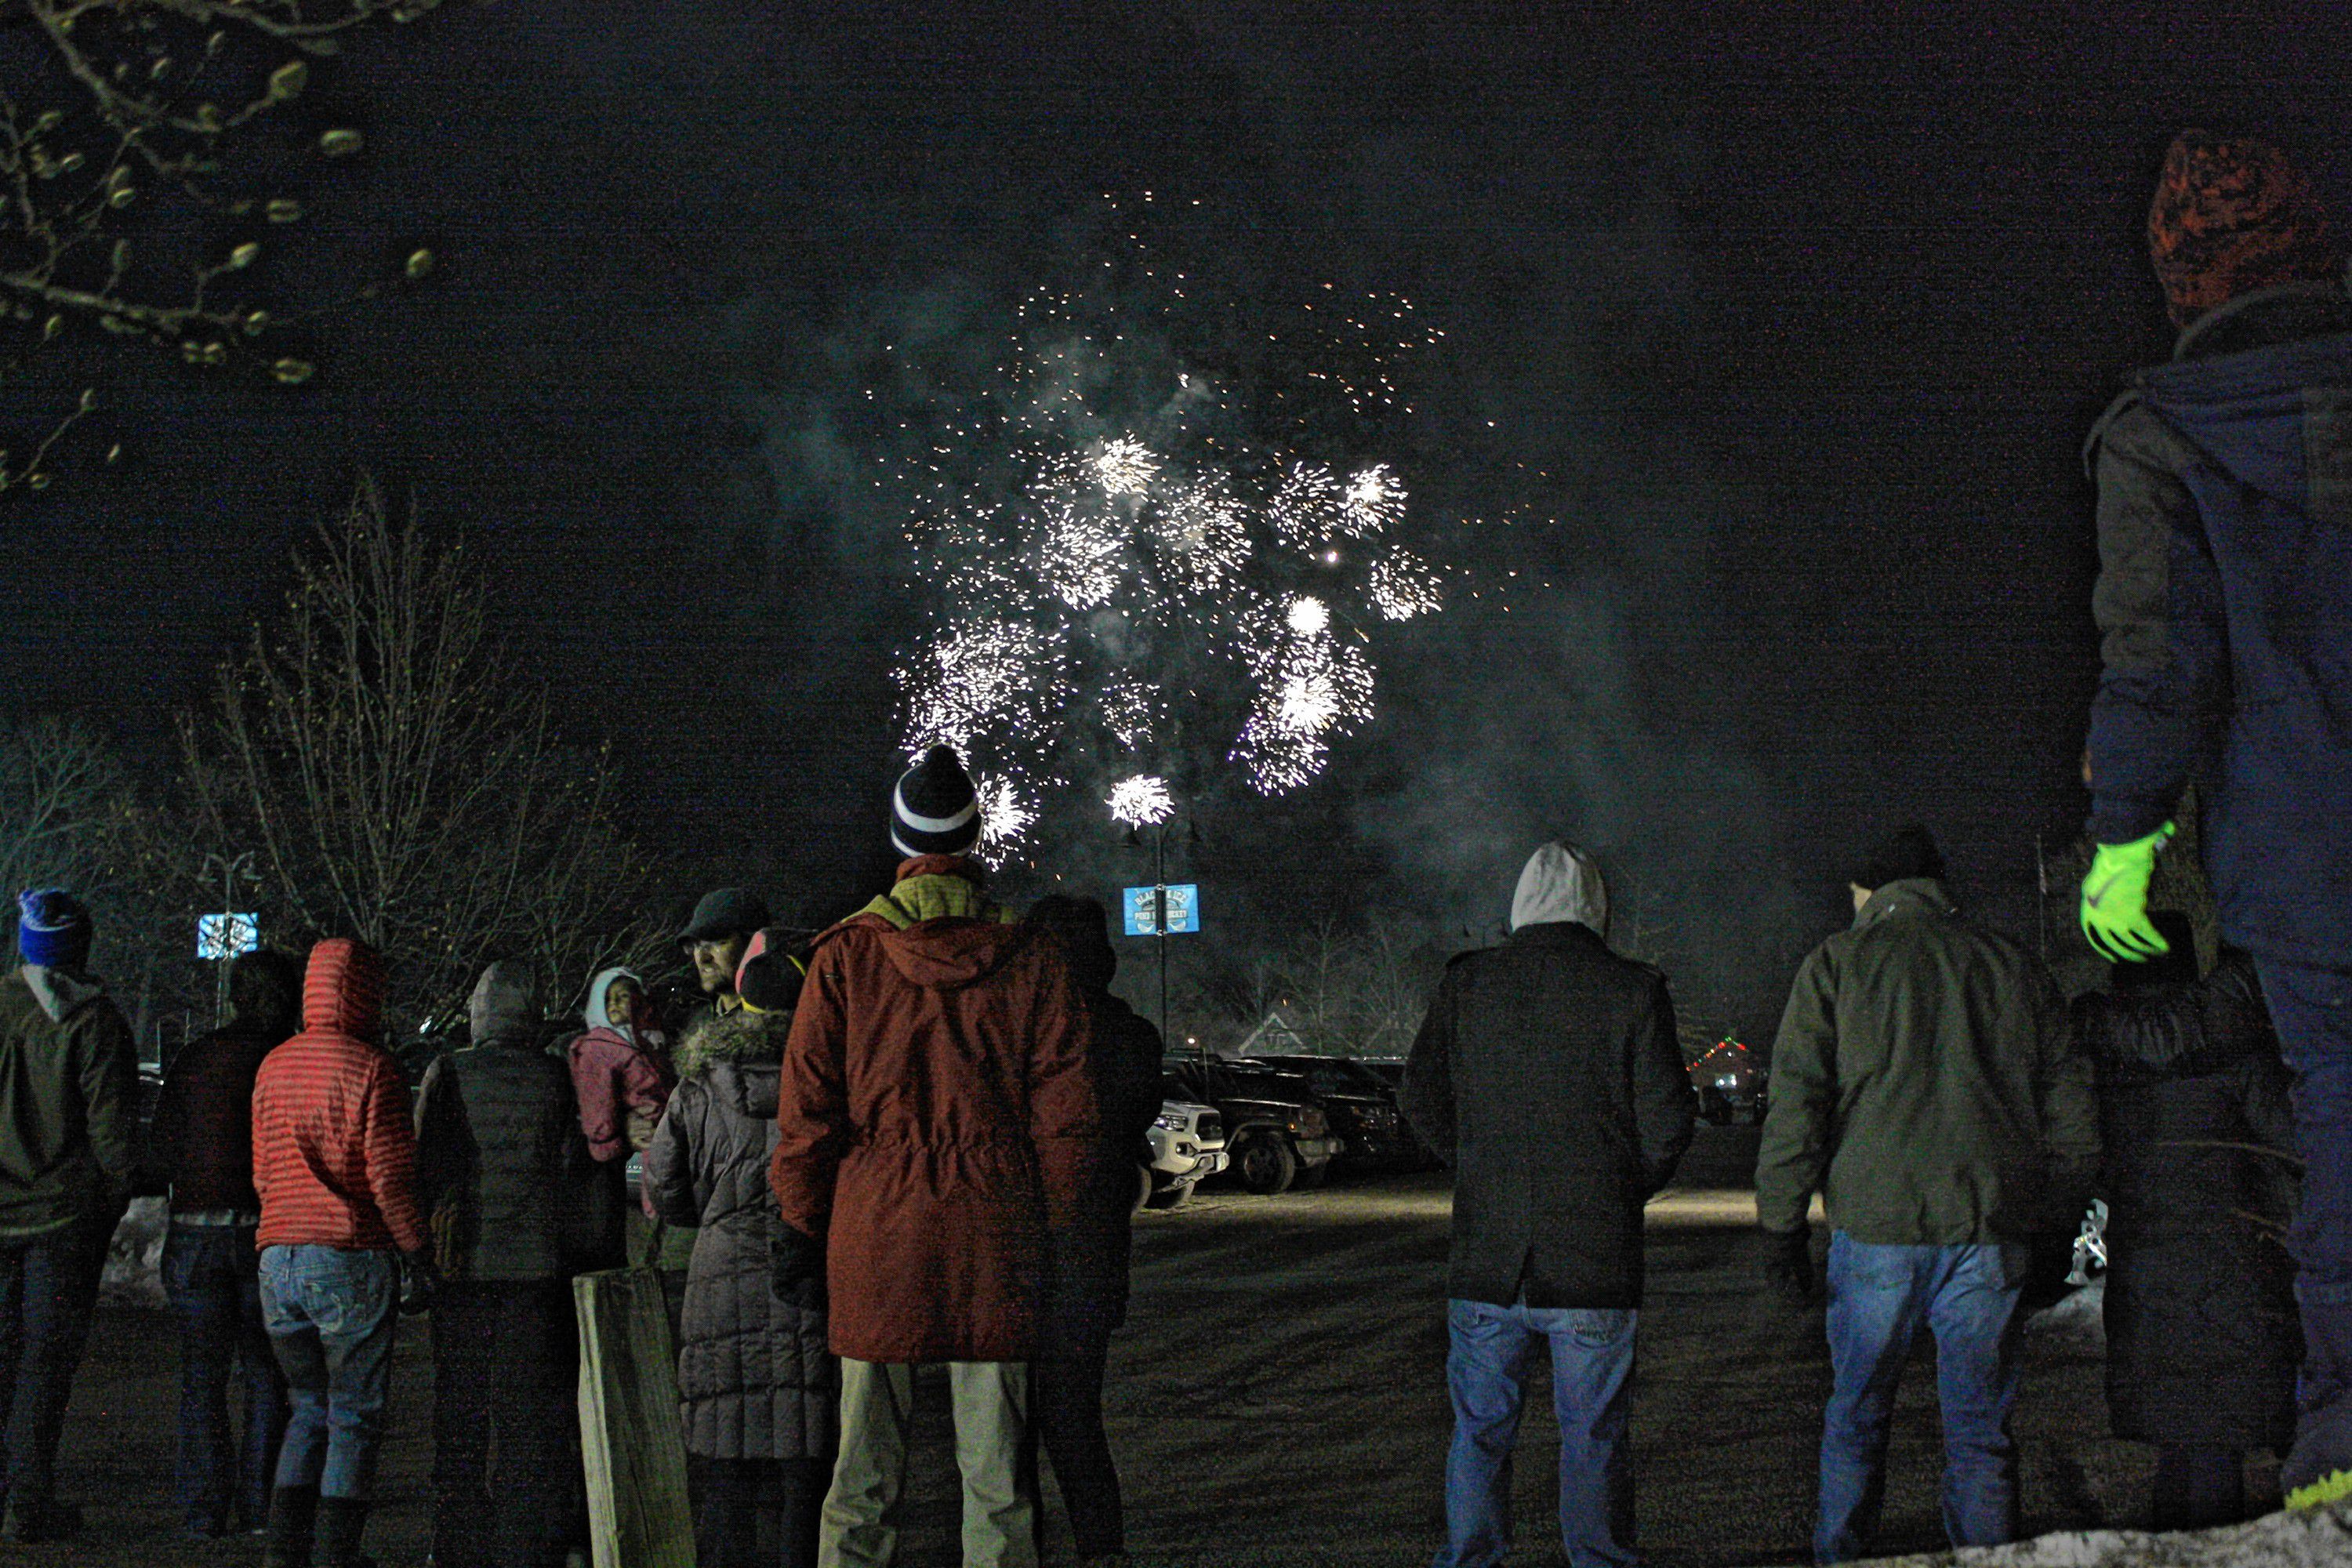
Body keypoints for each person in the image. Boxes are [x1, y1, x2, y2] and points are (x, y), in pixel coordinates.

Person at [2077, 129, 2352, 1508]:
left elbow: (2155, 668)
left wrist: (2124, 840)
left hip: (2314, 873)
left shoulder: (2167, 443)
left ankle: (2349, 1442)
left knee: (2345, 1122)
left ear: (2182, 286)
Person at [771, 745, 1100, 1568]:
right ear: (975, 837)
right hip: (996, 1227)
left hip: (874, 1229)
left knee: (860, 1476)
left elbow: (807, 1114)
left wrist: (801, 1223)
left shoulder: (844, 957)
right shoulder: (1031, 959)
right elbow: (1067, 1121)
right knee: (997, 1482)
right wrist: (1052, 1225)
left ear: (899, 839)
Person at [1755, 826, 2098, 1563]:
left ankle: (1844, 1554)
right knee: (1980, 1432)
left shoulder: (1838, 966)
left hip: (1878, 1230)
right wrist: (2055, 1221)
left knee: (1856, 1416)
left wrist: (1781, 1227)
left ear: (1868, 890)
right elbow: (2072, 1113)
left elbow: (1797, 1107)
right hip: (1987, 1229)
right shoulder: (2013, 966)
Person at [1401, 843, 1695, 1568]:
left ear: (1520, 907)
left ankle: (1472, 1559)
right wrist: (1619, 1190)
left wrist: (1474, 1166)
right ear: (1595, 907)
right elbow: (1667, 1121)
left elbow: (1419, 1099)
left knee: (1479, 1430)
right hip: (1593, 1259)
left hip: (1486, 1257)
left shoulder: (1468, 985)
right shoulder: (1631, 991)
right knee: (1593, 1434)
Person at [2073, 910, 2299, 1529]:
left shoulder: (2100, 1054)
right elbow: (2290, 1144)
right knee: (2217, 1433)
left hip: (2146, 1265)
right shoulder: (2233, 1047)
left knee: (2177, 1431)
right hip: (2232, 1263)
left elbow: (2079, 1154)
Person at [645, 929, 834, 1568]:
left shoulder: (698, 1085)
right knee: (802, 1455)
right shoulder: (829, 1080)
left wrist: (712, 1214)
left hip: (719, 1277)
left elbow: (663, 1185)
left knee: (723, 1454)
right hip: (805, 1276)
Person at [251, 937, 432, 1568]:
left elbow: (263, 1176)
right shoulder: (371, 1068)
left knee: (307, 1408)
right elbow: (387, 1178)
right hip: (346, 1256)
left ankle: (284, 1552)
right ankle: (334, 1556)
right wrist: (416, 1247)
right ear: (365, 993)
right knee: (353, 1413)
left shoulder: (274, 1065)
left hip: (278, 1260)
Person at [413, 960, 595, 1568]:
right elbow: (569, 1162)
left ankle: (459, 1535)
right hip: (535, 1265)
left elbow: (425, 1163)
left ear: (477, 1014)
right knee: (528, 1413)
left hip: (462, 1263)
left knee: (460, 1403)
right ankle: (527, 1540)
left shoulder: (449, 1072)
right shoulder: (553, 1077)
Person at [1020, 895, 1167, 1566]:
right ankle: (1101, 1554)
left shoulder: (1022, 1032)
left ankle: (1020, 1552)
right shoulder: (1131, 1036)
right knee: (1077, 1424)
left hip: (1019, 1256)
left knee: (1009, 1436)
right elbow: (1132, 1128)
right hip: (1093, 1258)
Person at [0, 888, 140, 1542]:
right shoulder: (96, 1023)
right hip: (60, 1224)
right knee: (43, 1365)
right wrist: (110, 1205)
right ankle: (28, 1500)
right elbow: (114, 1142)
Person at [146, 947, 300, 1538]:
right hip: (263, 1234)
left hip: (195, 1233)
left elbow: (161, 1148)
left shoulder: (194, 1059)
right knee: (267, 1373)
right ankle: (261, 1504)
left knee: (201, 1377)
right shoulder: (283, 1059)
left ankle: (204, 1510)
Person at [648, 889, 773, 1329]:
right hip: (728, 1249)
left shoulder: (805, 1033)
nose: (700, 956)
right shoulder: (700, 1039)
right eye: (694, 945)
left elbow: (662, 1182)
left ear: (755, 944)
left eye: (715, 941)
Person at [567, 964, 673, 1279]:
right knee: (643, 1222)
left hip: (658, 1141)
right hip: (630, 1156)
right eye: (608, 998)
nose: (614, 1005)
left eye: (623, 997)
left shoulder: (650, 1041)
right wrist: (611, 1141)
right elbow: (597, 1105)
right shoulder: (599, 1048)